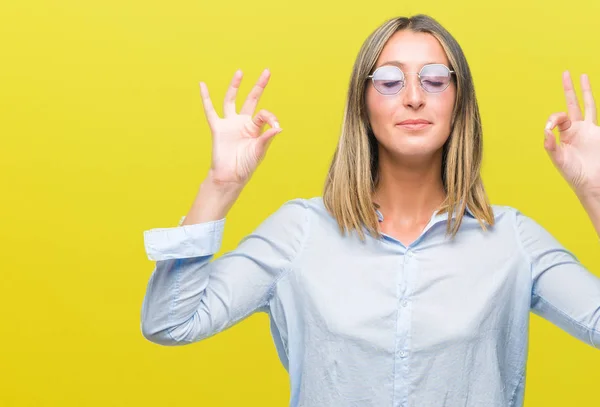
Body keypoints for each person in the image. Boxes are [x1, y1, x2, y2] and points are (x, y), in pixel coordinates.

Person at [140, 14, 600, 407]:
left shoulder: (511, 240)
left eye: (435, 79)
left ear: (458, 102)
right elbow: (169, 322)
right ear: (363, 102)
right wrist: (220, 186)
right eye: (389, 80)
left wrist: (596, 191)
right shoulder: (299, 231)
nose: (414, 97)